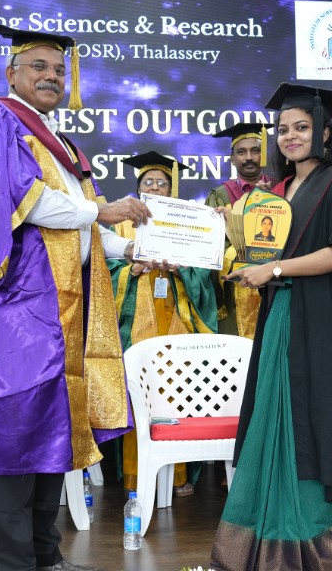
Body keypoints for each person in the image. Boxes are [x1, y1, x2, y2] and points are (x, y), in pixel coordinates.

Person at [0, 25, 150, 571]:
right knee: (15, 435)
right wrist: (101, 211)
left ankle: (44, 556)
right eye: (39, 66)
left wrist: (133, 250)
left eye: (59, 70)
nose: (52, 76)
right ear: (11, 73)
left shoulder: (62, 145)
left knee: (50, 433)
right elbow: (22, 200)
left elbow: (80, 225)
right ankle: (9, 563)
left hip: (60, 311)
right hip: (14, 307)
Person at [210, 83, 332, 571]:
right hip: (284, 313)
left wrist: (272, 270)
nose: (289, 136)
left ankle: (323, 537)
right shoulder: (280, 190)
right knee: (278, 415)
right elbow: (269, 253)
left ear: (325, 133)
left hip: (327, 318)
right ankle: (275, 537)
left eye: (301, 127)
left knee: (320, 418)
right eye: (283, 129)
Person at [109, 151, 218, 497]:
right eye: (148, 182)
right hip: (134, 323)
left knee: (177, 391)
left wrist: (183, 269)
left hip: (176, 318)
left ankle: (179, 476)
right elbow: (103, 271)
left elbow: (204, 273)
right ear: (138, 188)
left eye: (161, 183)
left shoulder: (187, 224)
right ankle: (134, 475)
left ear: (172, 189)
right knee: (137, 392)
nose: (155, 188)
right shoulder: (120, 225)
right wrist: (133, 268)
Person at [206, 122, 273, 338]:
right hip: (234, 289)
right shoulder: (220, 195)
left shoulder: (281, 189)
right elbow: (210, 246)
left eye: (256, 151)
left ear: (264, 155)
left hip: (274, 284)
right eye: (241, 152)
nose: (249, 157)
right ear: (232, 158)